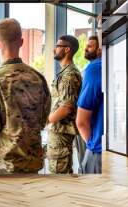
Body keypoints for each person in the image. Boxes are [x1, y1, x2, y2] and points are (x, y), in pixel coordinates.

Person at [0, 18, 51, 174]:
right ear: (21, 42)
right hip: (32, 165)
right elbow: (43, 120)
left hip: (2, 167)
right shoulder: (39, 78)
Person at [47, 35, 82, 174]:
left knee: (59, 175)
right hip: (58, 131)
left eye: (57, 46)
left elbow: (66, 108)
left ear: (67, 49)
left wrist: (46, 120)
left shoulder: (69, 75)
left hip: (61, 132)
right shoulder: (65, 72)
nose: (54, 49)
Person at [76, 36, 103, 174]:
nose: (86, 49)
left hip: (98, 149)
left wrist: (92, 144)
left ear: (100, 49)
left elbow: (81, 121)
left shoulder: (94, 68)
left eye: (90, 46)